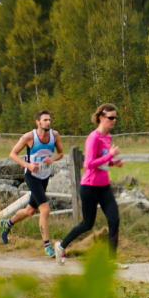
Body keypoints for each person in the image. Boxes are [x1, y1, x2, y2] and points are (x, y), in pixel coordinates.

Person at [54, 104, 128, 269]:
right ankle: (61, 246)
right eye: (110, 118)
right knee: (87, 224)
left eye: (115, 118)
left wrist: (113, 162)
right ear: (101, 117)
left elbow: (102, 161)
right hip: (89, 187)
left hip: (104, 186)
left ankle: (111, 261)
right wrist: (110, 155)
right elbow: (88, 163)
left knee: (114, 219)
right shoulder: (93, 138)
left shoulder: (107, 137)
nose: (113, 121)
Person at [0, 110, 65, 258]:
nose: (48, 122)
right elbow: (12, 154)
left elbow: (61, 154)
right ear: (38, 122)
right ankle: (47, 246)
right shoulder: (29, 137)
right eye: (44, 120)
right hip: (32, 176)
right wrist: (28, 165)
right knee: (45, 209)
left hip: (45, 176)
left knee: (30, 211)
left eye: (49, 119)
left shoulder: (54, 136)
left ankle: (7, 224)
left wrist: (52, 159)